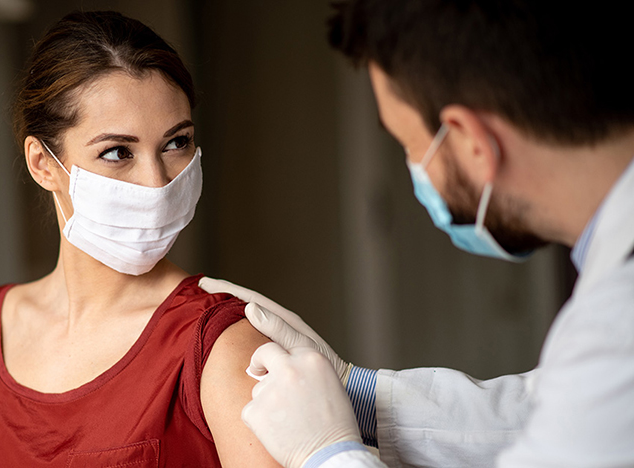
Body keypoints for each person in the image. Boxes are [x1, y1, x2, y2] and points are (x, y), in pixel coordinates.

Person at [201, 1, 634, 467]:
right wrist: (352, 391)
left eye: (411, 145)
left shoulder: (614, 327)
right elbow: (547, 412)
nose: (416, 173)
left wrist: (327, 454)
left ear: (472, 141)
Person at [0, 11, 280, 468]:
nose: (156, 183)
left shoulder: (220, 343)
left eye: (176, 143)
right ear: (44, 164)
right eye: (117, 152)